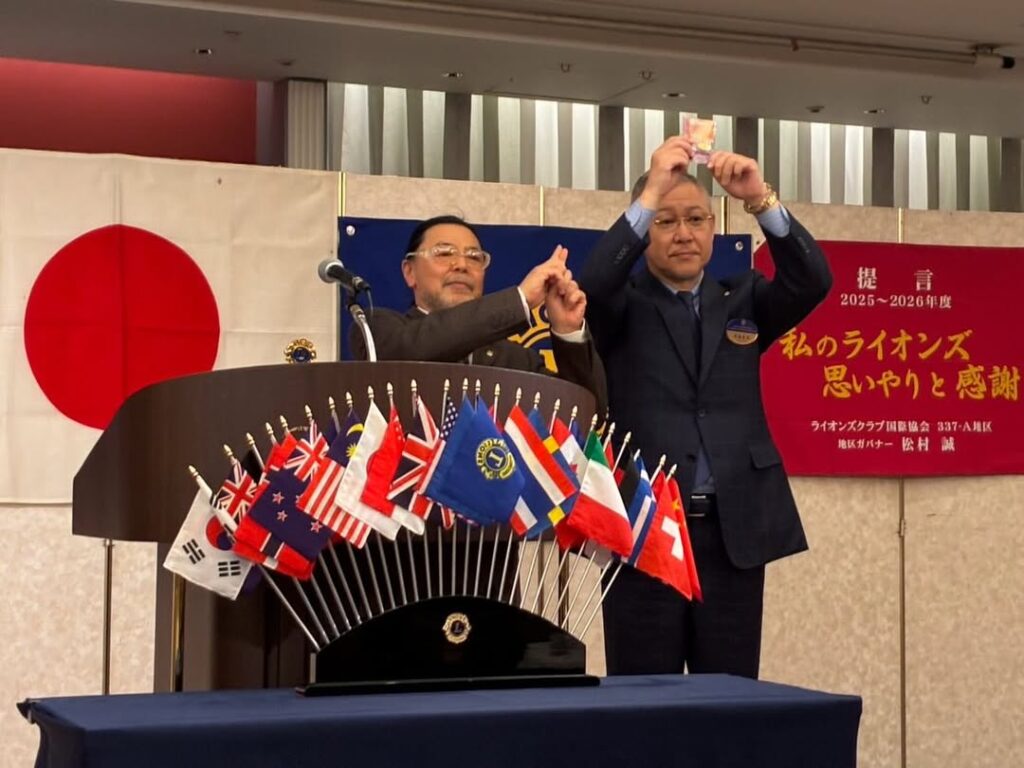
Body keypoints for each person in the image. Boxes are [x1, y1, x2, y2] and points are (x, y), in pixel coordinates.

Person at [579, 137, 832, 679]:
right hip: (646, 529)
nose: (684, 234)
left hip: (732, 529)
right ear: (646, 229)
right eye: (665, 221)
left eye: (696, 219)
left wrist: (760, 199)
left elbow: (814, 280)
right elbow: (594, 282)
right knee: (644, 696)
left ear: (713, 228)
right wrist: (651, 188)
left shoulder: (744, 299)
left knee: (731, 695)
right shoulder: (622, 307)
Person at [351, 214, 606, 414]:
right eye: (444, 253)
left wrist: (568, 332)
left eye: (474, 257)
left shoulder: (516, 360)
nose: (462, 265)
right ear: (410, 272)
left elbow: (583, 414)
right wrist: (519, 299)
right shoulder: (376, 328)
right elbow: (409, 351)